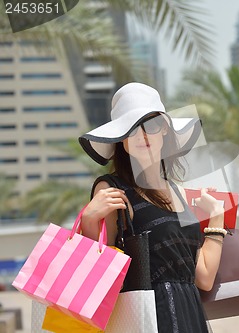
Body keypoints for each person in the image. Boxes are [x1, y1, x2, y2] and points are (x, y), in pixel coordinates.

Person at [78, 82, 225, 333]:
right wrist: (89, 222)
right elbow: (96, 276)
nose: (143, 134)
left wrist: (217, 219)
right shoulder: (111, 187)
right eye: (131, 128)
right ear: (121, 138)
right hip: (146, 318)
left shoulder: (176, 191)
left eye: (152, 125)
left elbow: (203, 277)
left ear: (165, 131)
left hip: (190, 315)